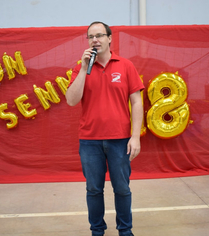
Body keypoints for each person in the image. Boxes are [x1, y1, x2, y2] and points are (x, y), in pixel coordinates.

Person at [65, 21, 144, 236]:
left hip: (119, 140)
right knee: (93, 190)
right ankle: (97, 231)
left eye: (99, 35)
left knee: (122, 189)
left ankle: (125, 231)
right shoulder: (80, 67)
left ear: (110, 38)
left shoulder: (125, 65)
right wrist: (83, 69)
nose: (95, 40)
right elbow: (71, 100)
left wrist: (135, 137)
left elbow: (137, 102)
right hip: (90, 141)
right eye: (91, 37)